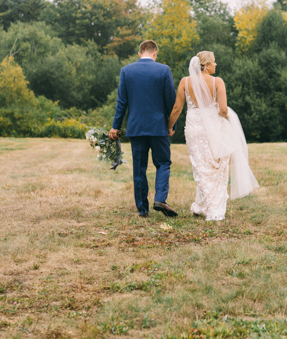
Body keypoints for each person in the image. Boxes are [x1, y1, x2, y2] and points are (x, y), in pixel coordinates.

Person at [167, 51, 258, 221]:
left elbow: (177, 109)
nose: (216, 65)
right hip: (214, 128)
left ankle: (202, 205)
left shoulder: (185, 82)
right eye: (214, 62)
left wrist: (169, 126)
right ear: (206, 65)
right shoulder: (217, 82)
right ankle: (213, 208)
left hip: (194, 129)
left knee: (201, 167)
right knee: (216, 166)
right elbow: (223, 110)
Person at [109, 40, 178, 218]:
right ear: (155, 53)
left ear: (140, 54)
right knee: (163, 163)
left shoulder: (126, 71)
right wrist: (172, 125)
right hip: (158, 127)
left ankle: (143, 209)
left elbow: (122, 102)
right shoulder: (164, 70)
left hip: (136, 127)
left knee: (139, 168)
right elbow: (171, 101)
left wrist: (115, 126)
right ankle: (160, 198)